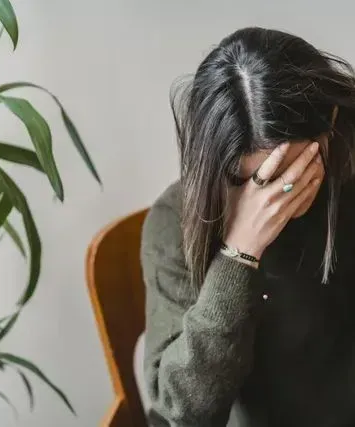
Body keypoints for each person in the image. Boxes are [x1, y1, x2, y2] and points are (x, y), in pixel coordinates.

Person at [142, 27, 355, 427]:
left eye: (293, 169)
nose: (279, 196)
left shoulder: (346, 165)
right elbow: (183, 412)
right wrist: (240, 254)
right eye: (256, 181)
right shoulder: (174, 224)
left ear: (330, 123)